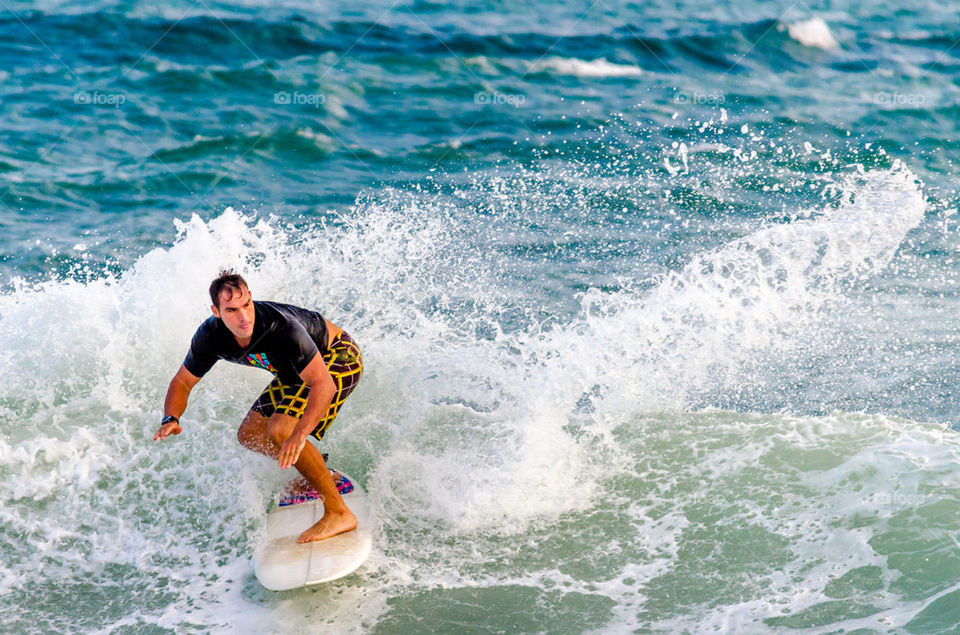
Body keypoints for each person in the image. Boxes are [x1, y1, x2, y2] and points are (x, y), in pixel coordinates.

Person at [155, 270, 363, 543]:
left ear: (251, 298)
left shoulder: (281, 327)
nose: (243, 317)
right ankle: (321, 473)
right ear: (216, 312)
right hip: (293, 371)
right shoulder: (210, 337)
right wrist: (170, 417)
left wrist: (299, 435)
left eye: (246, 305)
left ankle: (338, 513)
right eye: (231, 310)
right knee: (251, 433)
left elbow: (323, 385)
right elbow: (182, 382)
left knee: (281, 429)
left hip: (336, 357)